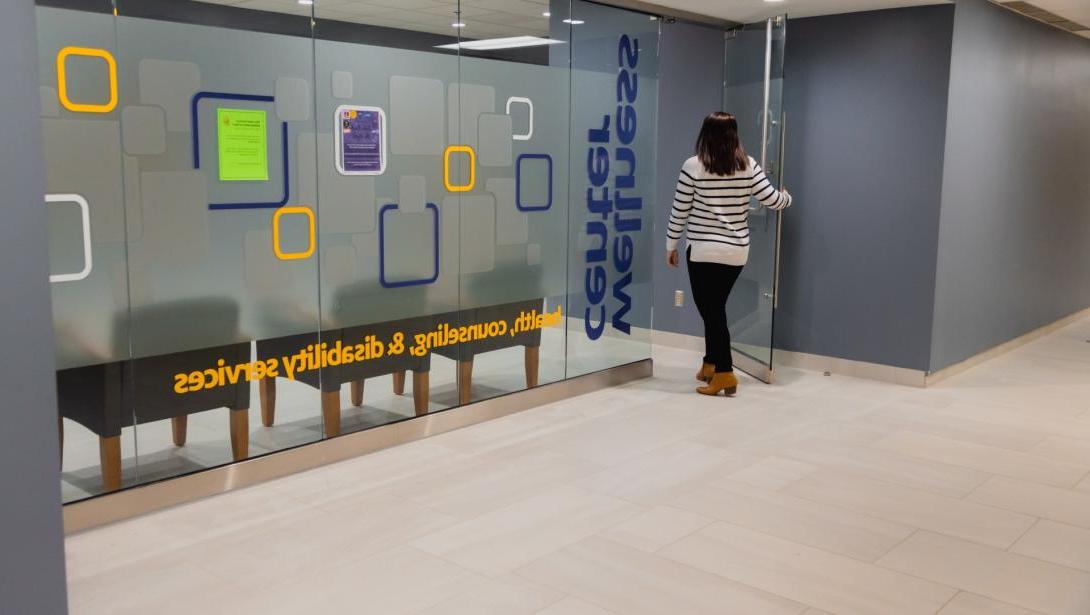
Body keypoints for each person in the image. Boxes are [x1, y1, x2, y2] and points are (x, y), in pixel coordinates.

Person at [666, 111, 792, 396]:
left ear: (705, 134)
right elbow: (772, 199)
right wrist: (787, 197)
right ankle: (710, 363)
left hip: (702, 251)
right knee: (713, 309)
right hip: (736, 252)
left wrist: (670, 245)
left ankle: (725, 373)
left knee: (712, 312)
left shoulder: (693, 166)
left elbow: (679, 210)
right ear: (734, 135)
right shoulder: (748, 165)